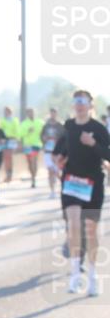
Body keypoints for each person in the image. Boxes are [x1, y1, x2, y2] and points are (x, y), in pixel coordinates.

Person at [53, 89, 110, 296]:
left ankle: (93, 276)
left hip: (93, 184)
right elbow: (60, 149)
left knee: (90, 231)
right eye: (76, 101)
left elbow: (107, 153)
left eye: (83, 101)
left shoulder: (99, 129)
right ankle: (75, 274)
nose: (79, 104)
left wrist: (93, 143)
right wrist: (58, 159)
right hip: (71, 183)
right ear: (73, 105)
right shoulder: (68, 127)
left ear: (90, 105)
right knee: (74, 225)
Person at [42, 107, 66, 198]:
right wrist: (44, 139)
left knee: (57, 172)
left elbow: (64, 138)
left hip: (57, 152)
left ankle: (63, 184)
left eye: (54, 113)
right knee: (50, 171)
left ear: (56, 114)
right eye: (51, 113)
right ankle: (52, 191)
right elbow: (41, 137)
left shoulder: (60, 125)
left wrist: (58, 141)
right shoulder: (46, 126)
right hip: (48, 151)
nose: (53, 115)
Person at [19, 107, 44, 188]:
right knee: (29, 163)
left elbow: (44, 132)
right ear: (27, 114)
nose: (31, 114)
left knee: (34, 161)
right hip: (27, 145)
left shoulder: (40, 122)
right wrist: (27, 131)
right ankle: (32, 176)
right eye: (29, 112)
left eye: (32, 112)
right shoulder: (24, 124)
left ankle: (33, 179)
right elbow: (20, 134)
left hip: (36, 144)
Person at [0, 106, 20, 183]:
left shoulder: (15, 120)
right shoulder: (2, 120)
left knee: (9, 156)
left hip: (12, 139)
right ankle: (7, 174)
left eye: (8, 111)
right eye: (5, 111)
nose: (6, 112)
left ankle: (10, 174)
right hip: (5, 140)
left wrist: (17, 140)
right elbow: (1, 130)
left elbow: (17, 130)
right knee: (5, 157)